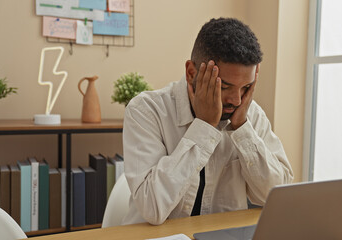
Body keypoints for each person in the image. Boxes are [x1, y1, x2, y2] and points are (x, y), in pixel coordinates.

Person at [122, 17, 294, 225]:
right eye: (224, 87)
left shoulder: (250, 113)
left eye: (246, 88)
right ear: (191, 72)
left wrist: (242, 129)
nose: (237, 100)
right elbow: (152, 208)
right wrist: (204, 127)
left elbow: (274, 195)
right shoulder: (146, 110)